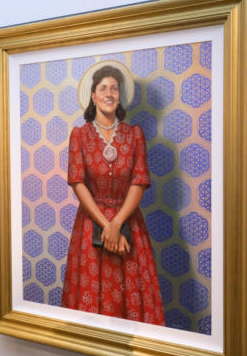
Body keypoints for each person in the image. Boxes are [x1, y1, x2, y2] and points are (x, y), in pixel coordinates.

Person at [61, 61, 165, 325]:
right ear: (93, 96)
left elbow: (139, 181)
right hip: (90, 225)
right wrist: (105, 225)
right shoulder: (80, 135)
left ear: (120, 96)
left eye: (115, 89)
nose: (109, 93)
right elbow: (77, 182)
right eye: (103, 88)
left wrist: (117, 224)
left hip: (129, 223)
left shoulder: (134, 135)